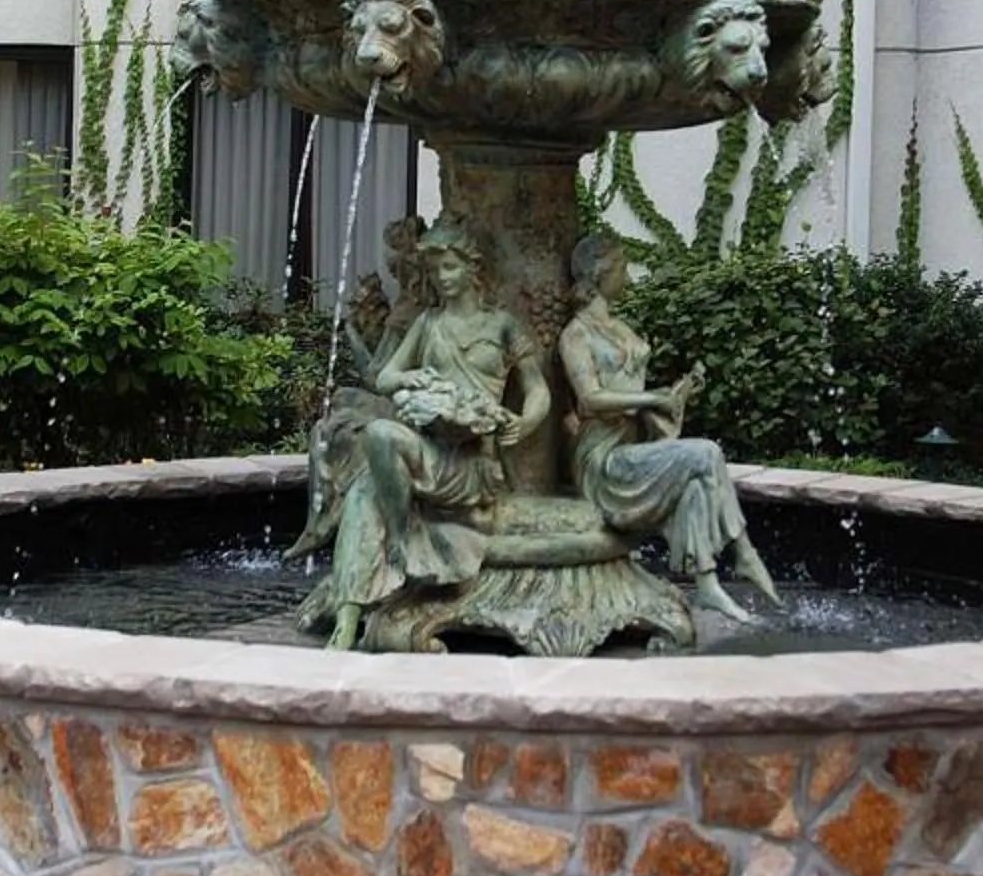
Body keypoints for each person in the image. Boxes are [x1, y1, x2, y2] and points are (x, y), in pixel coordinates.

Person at [301, 218, 549, 650]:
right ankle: (368, 585)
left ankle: (362, 599)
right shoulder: (428, 324)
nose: (442, 279)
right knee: (378, 438)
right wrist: (414, 379)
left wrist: (526, 421)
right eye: (436, 272)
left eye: (450, 268)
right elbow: (385, 377)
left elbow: (538, 388)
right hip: (429, 447)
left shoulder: (502, 325)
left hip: (472, 460)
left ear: (472, 268)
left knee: (363, 492)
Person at [557, 234, 776, 624]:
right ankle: (744, 553)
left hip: (633, 445)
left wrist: (671, 398)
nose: (628, 274)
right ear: (600, 272)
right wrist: (652, 400)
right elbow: (590, 399)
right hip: (603, 461)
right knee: (706, 452)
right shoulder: (576, 334)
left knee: (695, 483)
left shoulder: (621, 327)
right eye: (622, 266)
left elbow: (636, 394)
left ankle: (707, 587)